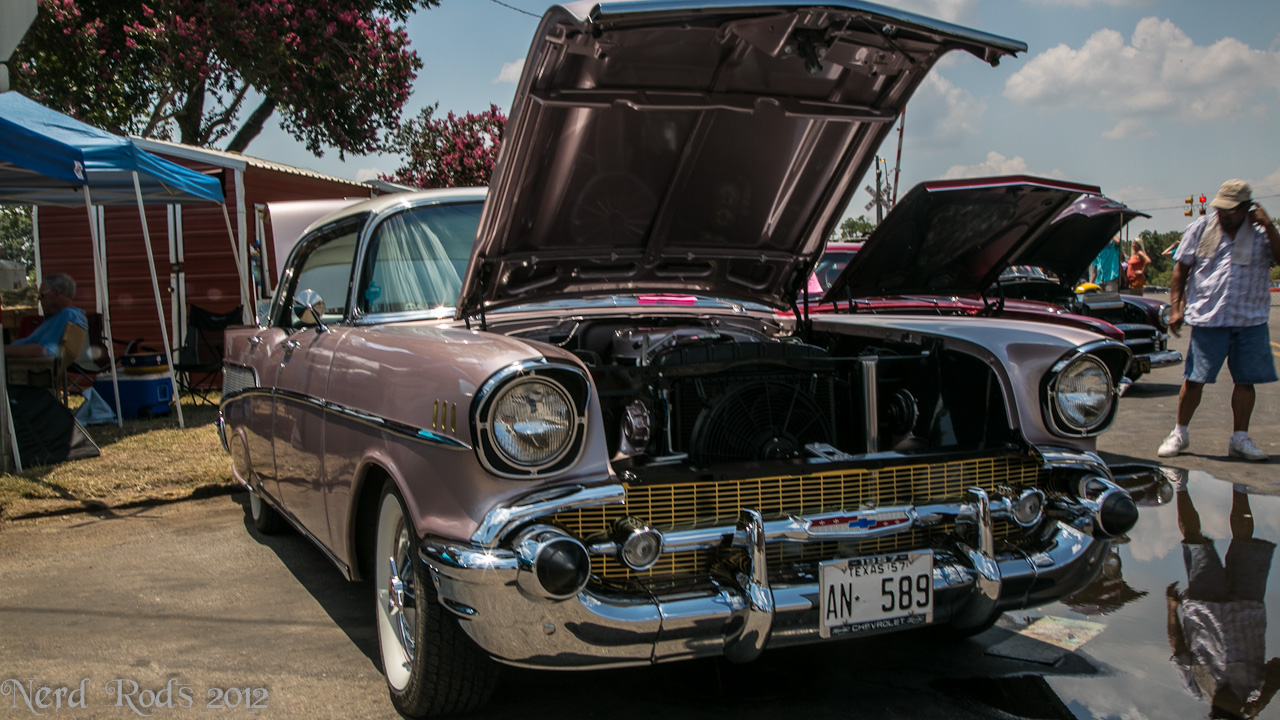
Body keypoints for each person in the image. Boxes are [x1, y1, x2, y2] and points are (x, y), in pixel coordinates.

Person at [1158, 180, 1280, 461]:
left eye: (1231, 210)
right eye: (1221, 208)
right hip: (1209, 318)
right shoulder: (1200, 229)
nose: (1223, 214)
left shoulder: (1262, 233)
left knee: (1246, 381)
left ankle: (1240, 438)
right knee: (1194, 379)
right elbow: (1181, 271)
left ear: (1247, 208)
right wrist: (1176, 308)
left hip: (1250, 319)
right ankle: (1180, 433)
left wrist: (1270, 225)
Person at [1167, 473, 1280, 719]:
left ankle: (1180, 485)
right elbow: (1278, 666)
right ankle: (1240, 486)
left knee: (1195, 542)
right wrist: (1262, 701)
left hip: (1204, 604)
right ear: (1240, 712)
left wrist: (1172, 609)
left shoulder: (1197, 688)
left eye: (1218, 709)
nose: (1224, 703)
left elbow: (1179, 649)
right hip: (1248, 605)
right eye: (1231, 711)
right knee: (1244, 541)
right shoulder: (1255, 689)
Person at [4, 273, 87, 359]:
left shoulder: (67, 315)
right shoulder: (62, 316)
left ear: (56, 293)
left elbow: (42, 350)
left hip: (22, 368)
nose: (39, 299)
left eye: (42, 295)